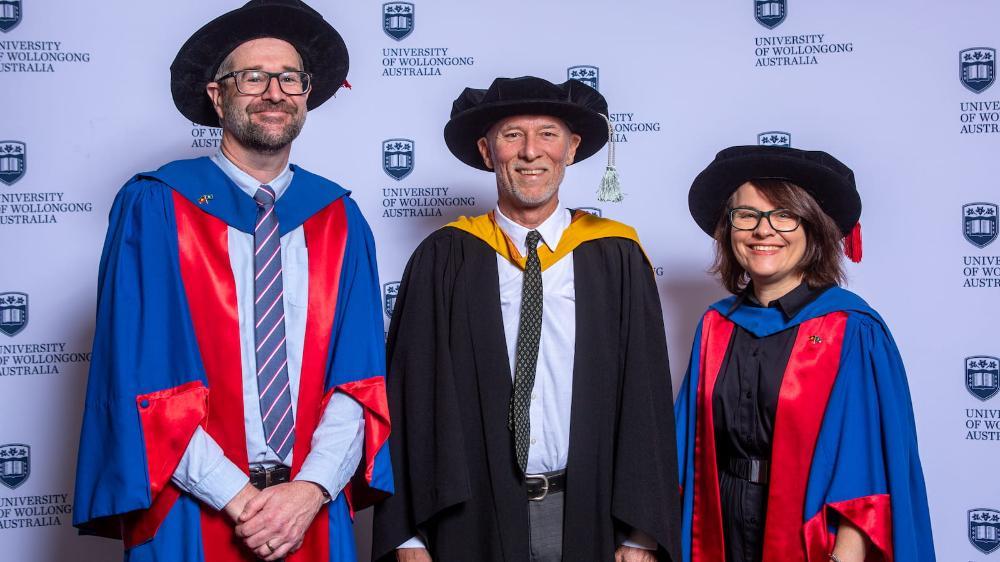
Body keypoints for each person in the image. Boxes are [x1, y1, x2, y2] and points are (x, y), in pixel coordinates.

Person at [73, 1, 392, 560]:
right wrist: (241, 499)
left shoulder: (338, 217)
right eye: (254, 77)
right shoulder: (157, 206)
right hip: (189, 506)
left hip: (308, 509)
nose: (275, 92)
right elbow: (142, 379)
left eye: (289, 78)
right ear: (218, 96)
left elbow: (359, 381)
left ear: (307, 95)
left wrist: (309, 491)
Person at [371, 76, 682, 562]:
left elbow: (645, 397)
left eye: (549, 134)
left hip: (591, 512)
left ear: (572, 148)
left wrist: (640, 533)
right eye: (512, 134)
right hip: (469, 517)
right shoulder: (443, 257)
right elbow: (411, 398)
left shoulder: (615, 255)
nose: (531, 152)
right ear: (486, 149)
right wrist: (408, 535)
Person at [675, 146, 935, 562]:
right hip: (719, 523)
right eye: (747, 215)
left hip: (807, 534)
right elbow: (684, 444)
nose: (763, 230)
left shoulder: (849, 329)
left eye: (784, 215)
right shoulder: (715, 326)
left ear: (813, 227)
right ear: (729, 229)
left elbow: (864, 464)